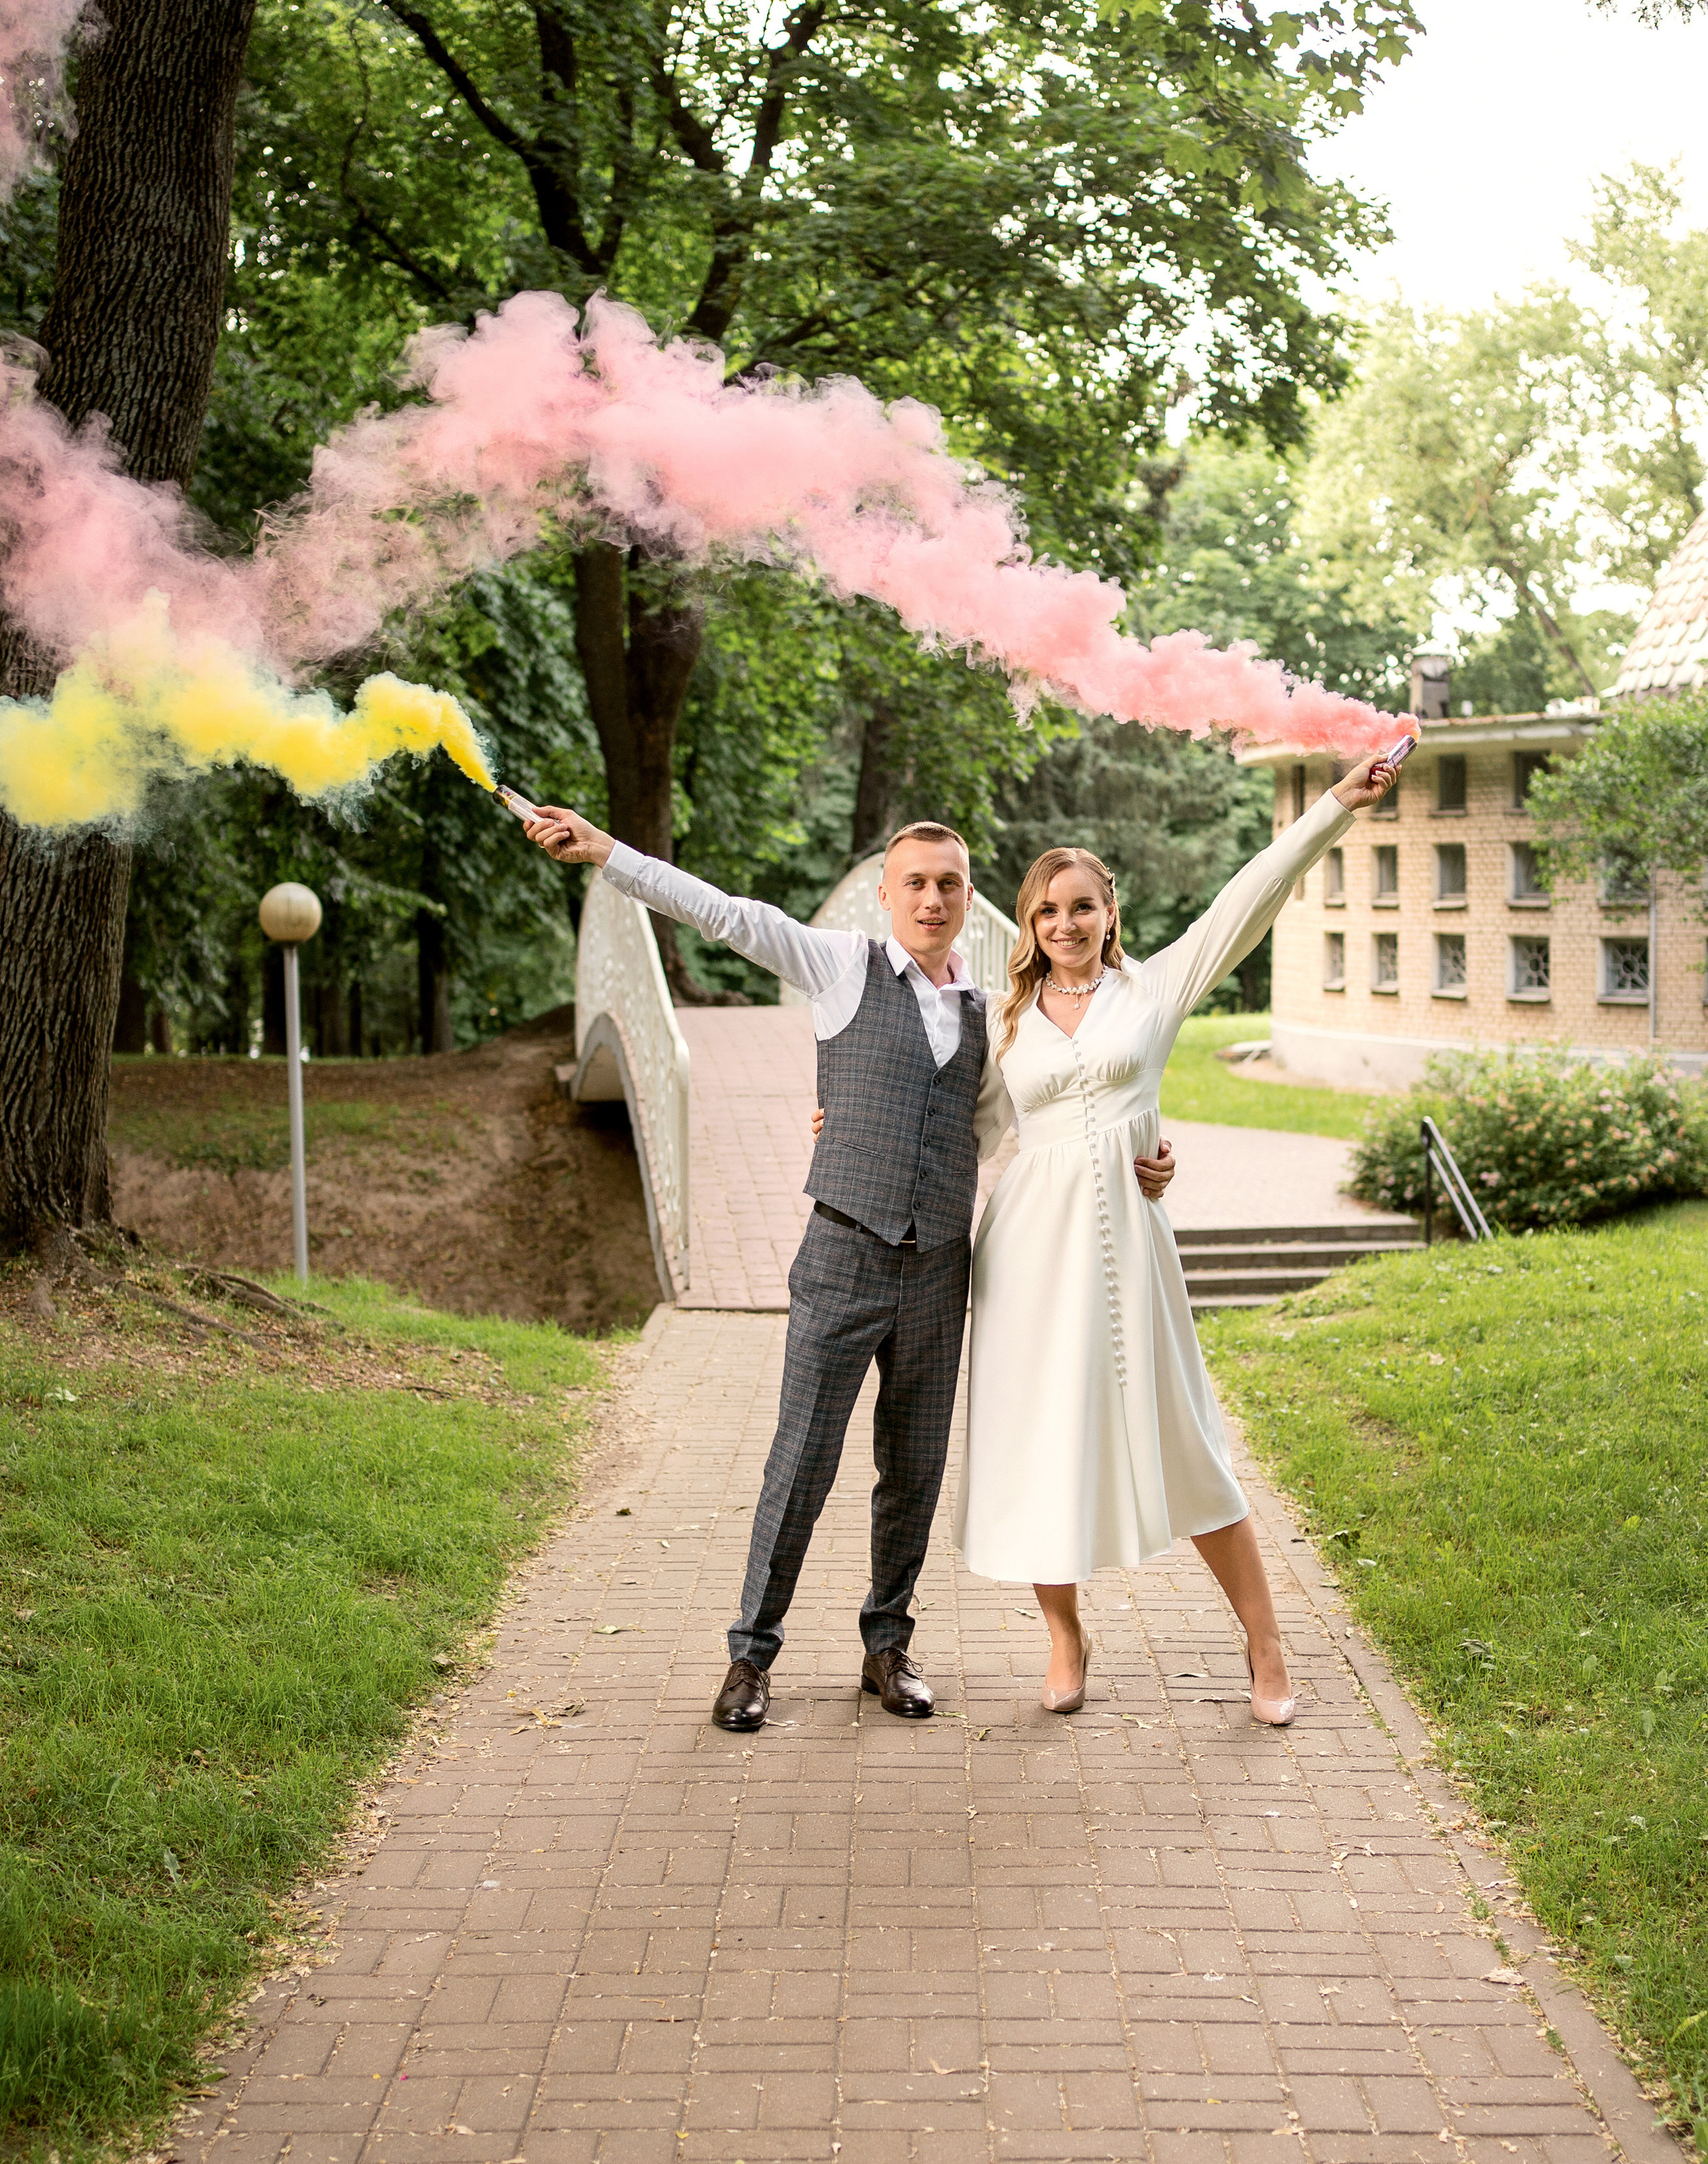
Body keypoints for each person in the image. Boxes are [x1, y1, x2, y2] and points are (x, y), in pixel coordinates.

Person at [520, 805, 1177, 1733]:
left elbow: (1049, 1112)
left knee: (912, 1469)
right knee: (803, 1460)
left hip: (942, 1266)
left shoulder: (996, 1014)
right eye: (915, 882)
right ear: (885, 895)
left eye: (950, 883)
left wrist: (1152, 1153)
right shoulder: (839, 965)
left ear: (970, 897)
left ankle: (887, 1643)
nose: (934, 897)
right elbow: (727, 914)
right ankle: (751, 1656)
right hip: (842, 1251)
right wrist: (610, 853)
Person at [954, 742, 1409, 1725]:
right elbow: (974, 1130)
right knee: (1038, 1447)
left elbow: (1250, 895)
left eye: (1081, 904)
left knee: (1190, 1446)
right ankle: (1065, 1634)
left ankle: (1267, 1641)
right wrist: (840, 1117)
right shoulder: (1003, 1021)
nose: (1064, 922)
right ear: (1029, 924)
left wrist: (1336, 803)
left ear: (1109, 909)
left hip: (1127, 1253)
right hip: (1027, 1257)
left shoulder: (1152, 992)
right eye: (1047, 908)